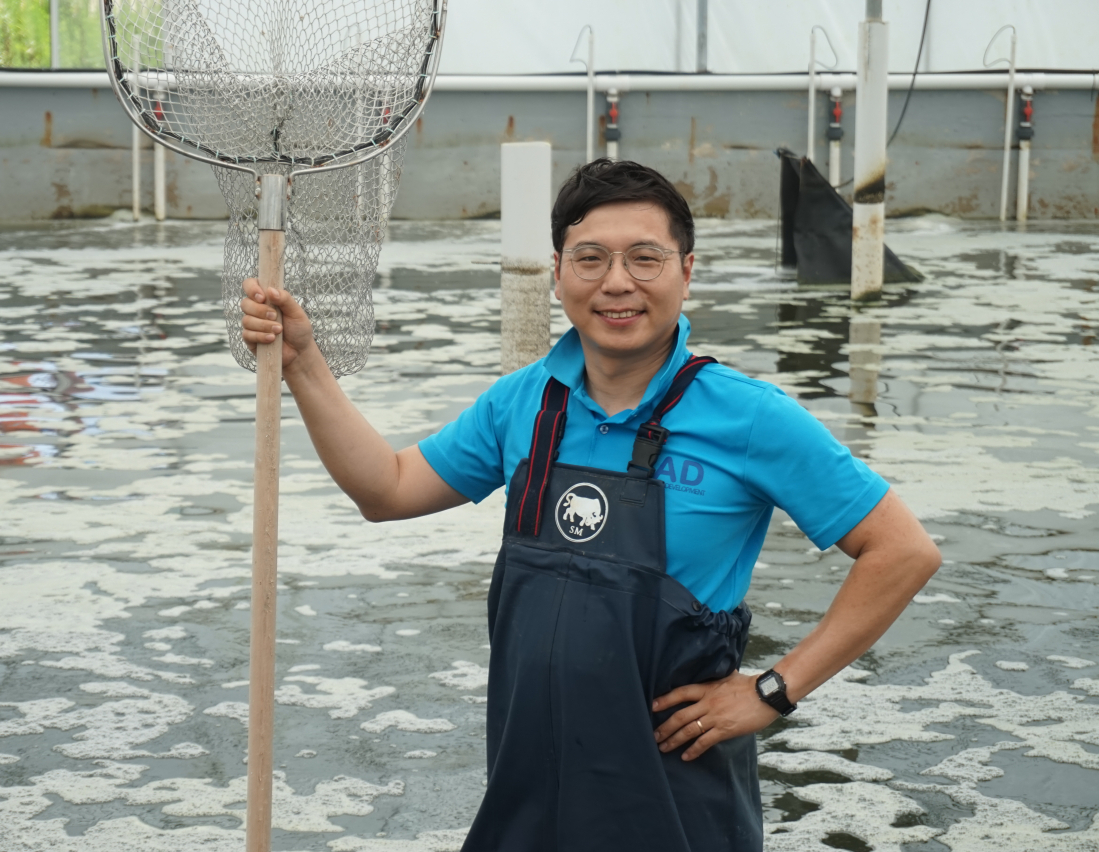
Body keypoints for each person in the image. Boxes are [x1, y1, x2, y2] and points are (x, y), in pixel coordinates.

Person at [239, 159, 941, 852]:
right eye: (591, 259)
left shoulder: (750, 416)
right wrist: (304, 363)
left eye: (645, 258)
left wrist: (771, 691)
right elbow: (387, 489)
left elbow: (902, 551)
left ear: (687, 271)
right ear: (556, 272)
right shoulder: (524, 403)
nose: (617, 283)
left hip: (674, 793)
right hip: (528, 784)